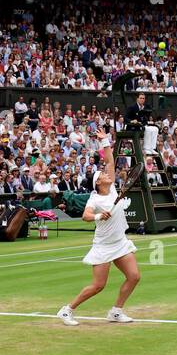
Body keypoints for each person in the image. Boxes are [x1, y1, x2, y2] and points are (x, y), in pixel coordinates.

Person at [57, 128, 140, 326]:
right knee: (98, 286)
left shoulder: (111, 189)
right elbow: (85, 216)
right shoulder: (94, 198)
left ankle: (116, 311)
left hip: (120, 242)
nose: (106, 174)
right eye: (103, 175)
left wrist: (104, 142)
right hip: (103, 246)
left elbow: (110, 161)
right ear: (98, 183)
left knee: (134, 276)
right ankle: (67, 310)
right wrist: (98, 216)